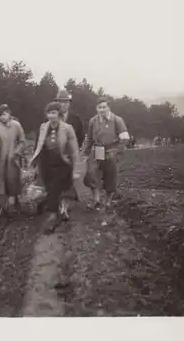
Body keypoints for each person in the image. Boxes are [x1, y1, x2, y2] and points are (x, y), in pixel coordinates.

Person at [30, 102, 81, 234]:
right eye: (49, 113)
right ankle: (58, 209)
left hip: (62, 164)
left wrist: (76, 170)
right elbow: (39, 145)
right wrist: (35, 163)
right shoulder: (43, 127)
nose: (51, 116)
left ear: (59, 114)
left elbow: (74, 151)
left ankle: (52, 218)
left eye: (53, 113)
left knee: (54, 189)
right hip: (46, 164)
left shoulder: (67, 128)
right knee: (49, 189)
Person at [83, 96, 130, 207]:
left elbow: (125, 139)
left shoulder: (117, 120)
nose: (102, 109)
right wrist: (85, 152)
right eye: (100, 107)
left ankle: (108, 201)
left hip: (111, 150)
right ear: (96, 108)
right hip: (97, 149)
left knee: (110, 175)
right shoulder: (93, 121)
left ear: (108, 108)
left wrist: (117, 151)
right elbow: (89, 138)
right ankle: (96, 200)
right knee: (91, 174)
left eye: (104, 107)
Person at [54, 89, 86, 218]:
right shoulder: (51, 117)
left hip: (70, 156)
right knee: (56, 181)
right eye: (61, 102)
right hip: (55, 155)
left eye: (66, 102)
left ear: (69, 103)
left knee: (68, 181)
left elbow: (81, 137)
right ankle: (59, 202)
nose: (63, 105)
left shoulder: (75, 119)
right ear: (57, 103)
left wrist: (74, 150)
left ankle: (64, 208)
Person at [0, 104, 26, 215]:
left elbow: (22, 141)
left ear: (9, 114)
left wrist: (17, 152)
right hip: (0, 159)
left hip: (13, 158)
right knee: (1, 182)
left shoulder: (16, 125)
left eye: (4, 114)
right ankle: (3, 206)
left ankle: (16, 201)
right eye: (0, 115)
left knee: (13, 179)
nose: (2, 117)